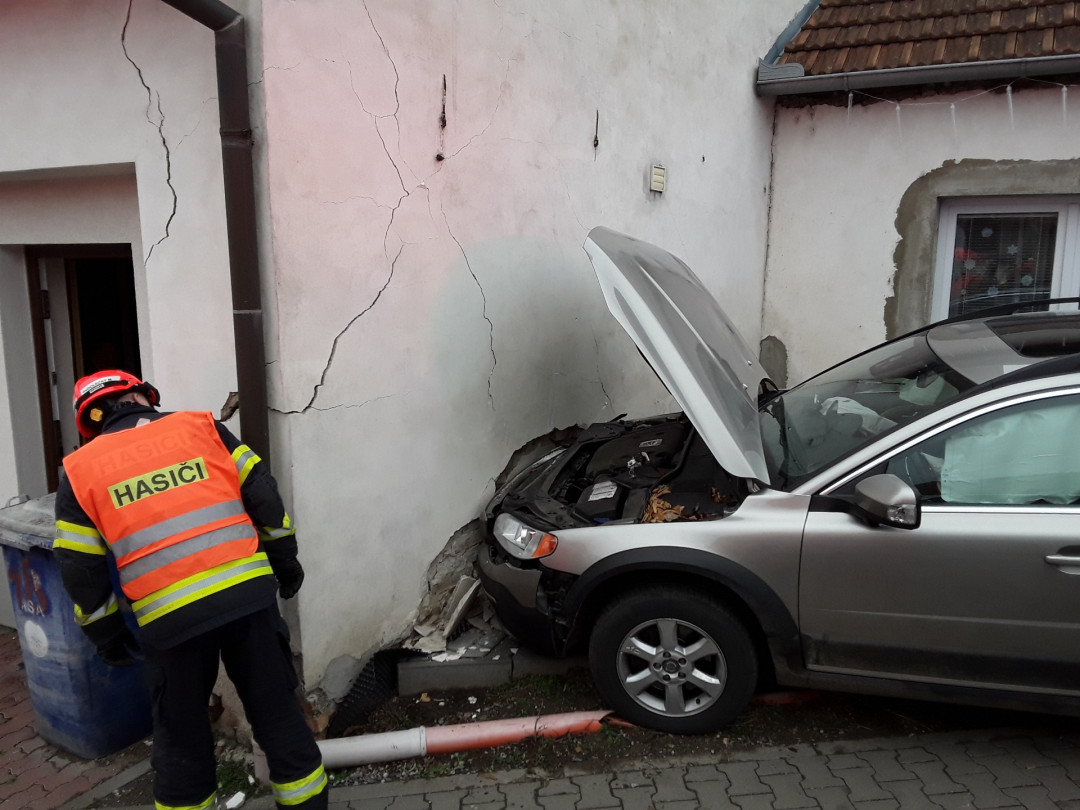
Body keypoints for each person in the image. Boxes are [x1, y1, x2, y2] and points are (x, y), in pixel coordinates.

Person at [53, 370, 327, 810]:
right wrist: (286, 562)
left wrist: (107, 637)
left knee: (181, 742)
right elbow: (265, 496)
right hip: (248, 601)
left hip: (169, 624)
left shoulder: (79, 470)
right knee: (278, 718)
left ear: (91, 421)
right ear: (143, 394)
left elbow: (80, 570)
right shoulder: (201, 427)